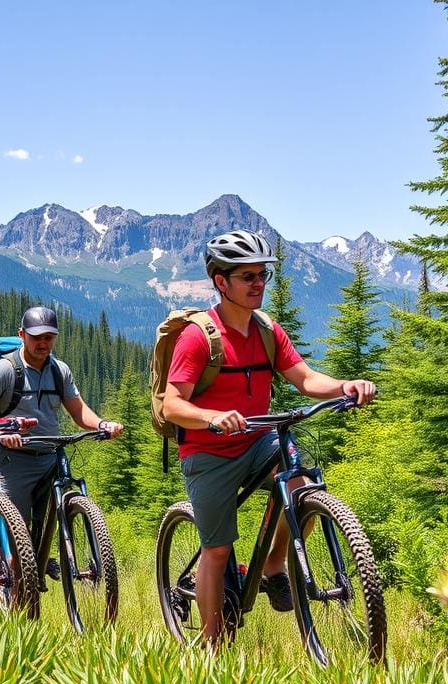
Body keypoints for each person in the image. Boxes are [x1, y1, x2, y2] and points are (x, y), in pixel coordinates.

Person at [161, 230, 376, 647]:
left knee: (301, 480)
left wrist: (344, 385)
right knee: (218, 550)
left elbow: (306, 379)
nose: (259, 284)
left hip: (257, 439)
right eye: (248, 276)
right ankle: (209, 646)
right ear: (221, 282)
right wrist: (212, 417)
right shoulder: (197, 337)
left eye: (263, 275)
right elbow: (173, 405)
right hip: (208, 450)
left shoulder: (266, 330)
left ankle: (274, 565)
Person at [0, 306, 123, 588]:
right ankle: (13, 599)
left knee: (48, 520)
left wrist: (102, 424)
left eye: (49, 337)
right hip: (15, 459)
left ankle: (41, 562)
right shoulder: (5, 370)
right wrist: (1, 431)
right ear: (22, 335)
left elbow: (79, 411)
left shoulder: (59, 371)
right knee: (17, 537)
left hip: (50, 456)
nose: (43, 343)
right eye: (37, 336)